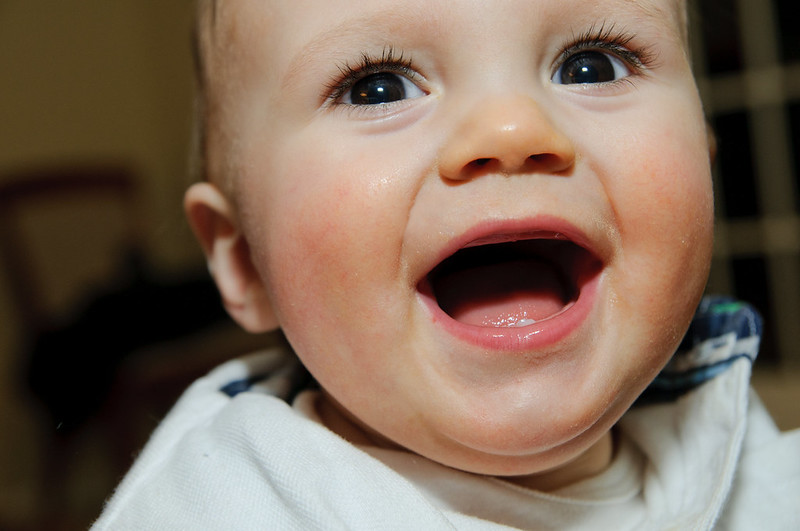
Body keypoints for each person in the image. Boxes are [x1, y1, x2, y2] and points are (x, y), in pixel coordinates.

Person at [93, 0, 800, 528]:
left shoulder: (756, 466)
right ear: (244, 259)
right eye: (378, 87)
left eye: (591, 65)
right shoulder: (219, 504)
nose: (513, 129)